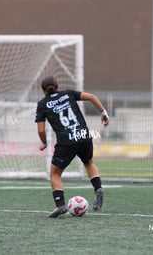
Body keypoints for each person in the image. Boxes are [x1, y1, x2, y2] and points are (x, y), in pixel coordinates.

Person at [35, 76, 109, 218]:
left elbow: (41, 130)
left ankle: (60, 205)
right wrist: (104, 114)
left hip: (66, 142)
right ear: (58, 87)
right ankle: (98, 189)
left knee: (55, 174)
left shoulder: (42, 104)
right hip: (83, 136)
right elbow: (92, 97)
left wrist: (44, 142)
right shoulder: (68, 94)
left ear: (42, 90)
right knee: (88, 162)